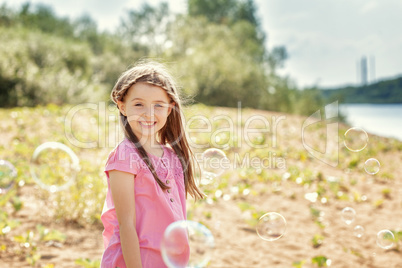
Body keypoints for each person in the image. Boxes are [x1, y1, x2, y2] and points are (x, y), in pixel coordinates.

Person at [100, 60, 204, 268]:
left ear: (169, 109)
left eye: (158, 105)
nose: (149, 113)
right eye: (138, 104)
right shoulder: (125, 156)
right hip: (135, 261)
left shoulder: (173, 157)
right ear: (122, 106)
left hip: (168, 261)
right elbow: (126, 225)